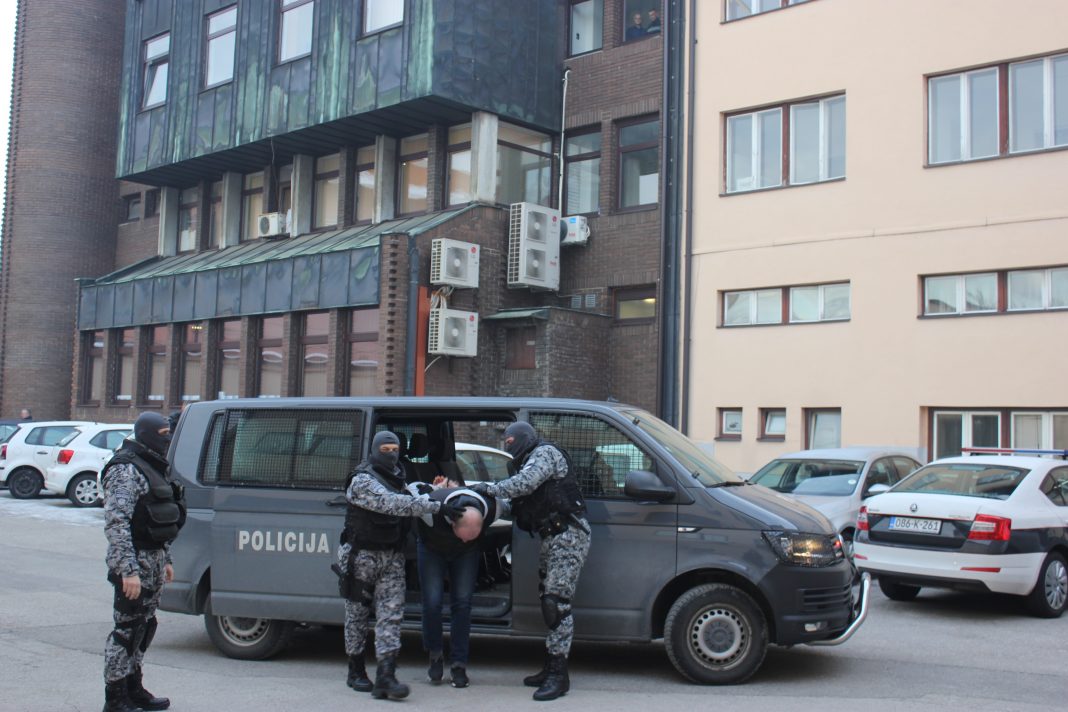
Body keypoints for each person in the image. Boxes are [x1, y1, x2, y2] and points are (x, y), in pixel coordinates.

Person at [335, 431, 465, 701]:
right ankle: (356, 670)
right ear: (374, 450)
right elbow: (390, 503)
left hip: (392, 556)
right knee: (357, 615)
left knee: (391, 614)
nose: (391, 453)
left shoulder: (398, 476)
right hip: (362, 555)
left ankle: (386, 675)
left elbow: (412, 494)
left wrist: (440, 492)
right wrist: (434, 506)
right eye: (385, 449)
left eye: (395, 448)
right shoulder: (362, 479)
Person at [467, 422, 590, 701]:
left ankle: (559, 675)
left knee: (556, 604)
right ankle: (551, 666)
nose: (508, 445)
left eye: (511, 441)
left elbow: (524, 484)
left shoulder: (544, 453)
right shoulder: (527, 461)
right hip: (552, 537)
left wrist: (487, 488)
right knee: (548, 601)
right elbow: (517, 502)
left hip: (569, 535)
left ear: (524, 438)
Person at [100, 412, 185, 712]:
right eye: (162, 433)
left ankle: (134, 688)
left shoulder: (152, 466)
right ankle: (115, 697)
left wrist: (166, 559)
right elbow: (117, 523)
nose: (167, 438)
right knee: (126, 631)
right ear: (146, 434)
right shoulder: (125, 469)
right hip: (133, 565)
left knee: (144, 627)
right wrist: (128, 571)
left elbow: (159, 516)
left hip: (154, 561)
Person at [411, 479, 509, 689]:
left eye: (471, 536)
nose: (464, 539)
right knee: (432, 602)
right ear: (452, 524)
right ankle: (435, 656)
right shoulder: (429, 508)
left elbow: (510, 503)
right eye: (463, 536)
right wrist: (433, 488)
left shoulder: (493, 508)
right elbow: (411, 489)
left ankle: (459, 665)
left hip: (467, 554)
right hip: (431, 548)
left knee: (463, 604)